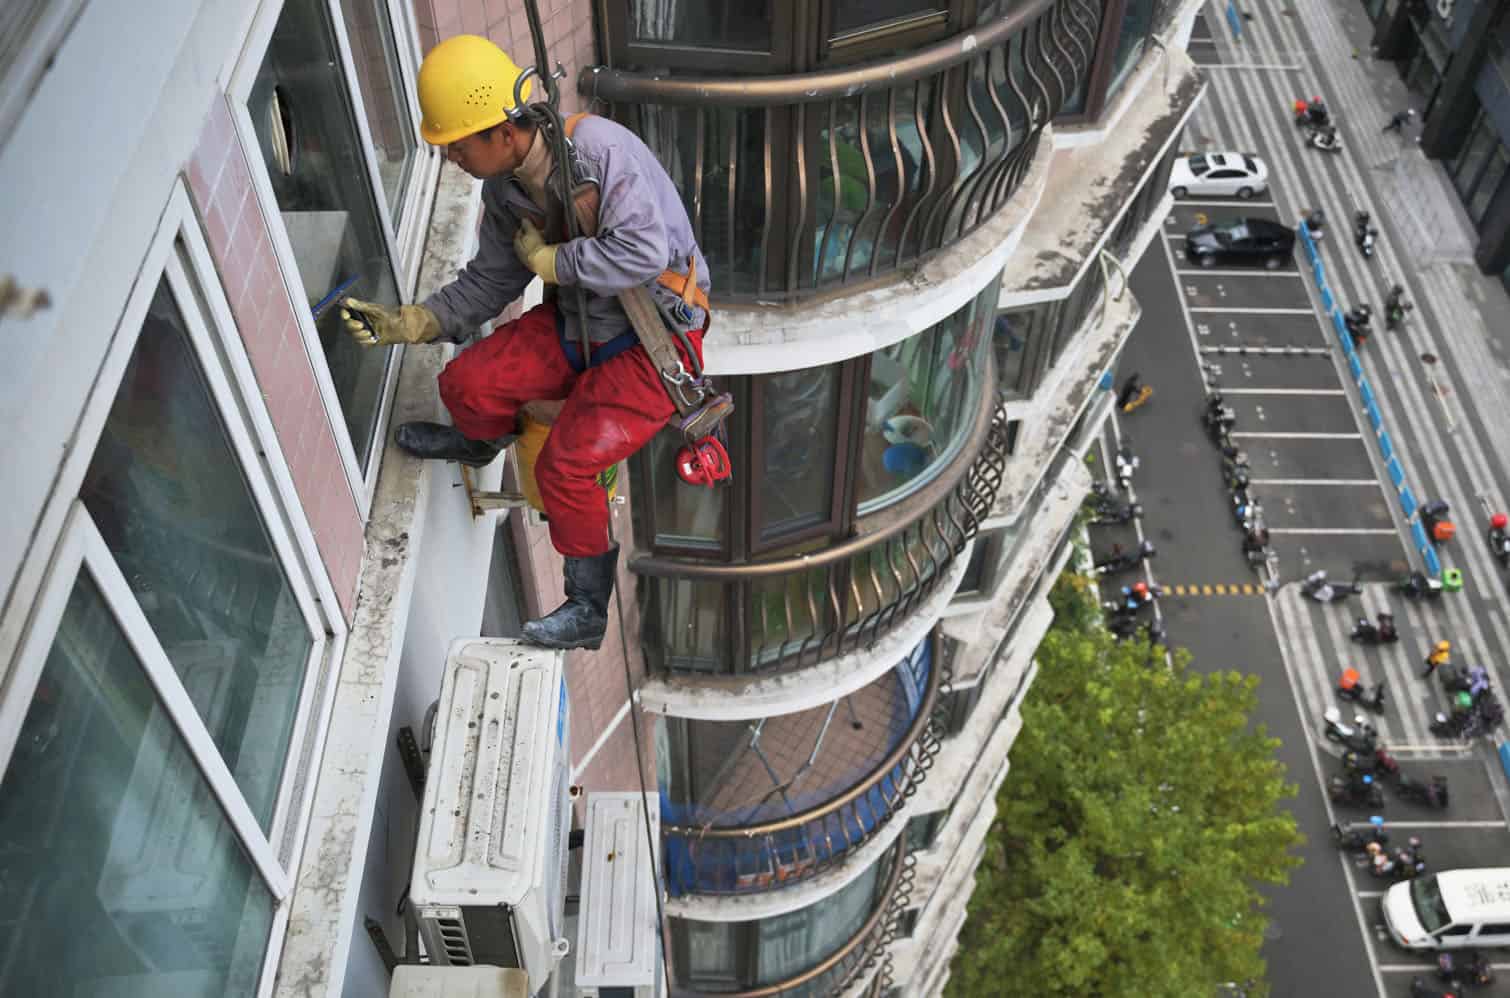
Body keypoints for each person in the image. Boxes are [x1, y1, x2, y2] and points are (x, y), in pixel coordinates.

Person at [339, 35, 711, 650]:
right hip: (579, 321)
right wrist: (412, 323)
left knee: (566, 462)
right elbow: (488, 283)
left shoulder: (600, 154)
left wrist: (552, 261)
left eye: (457, 144)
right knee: (467, 383)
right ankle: (480, 442)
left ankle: (588, 607)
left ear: (502, 133)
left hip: (656, 341)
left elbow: (643, 252)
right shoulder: (506, 190)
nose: (450, 157)